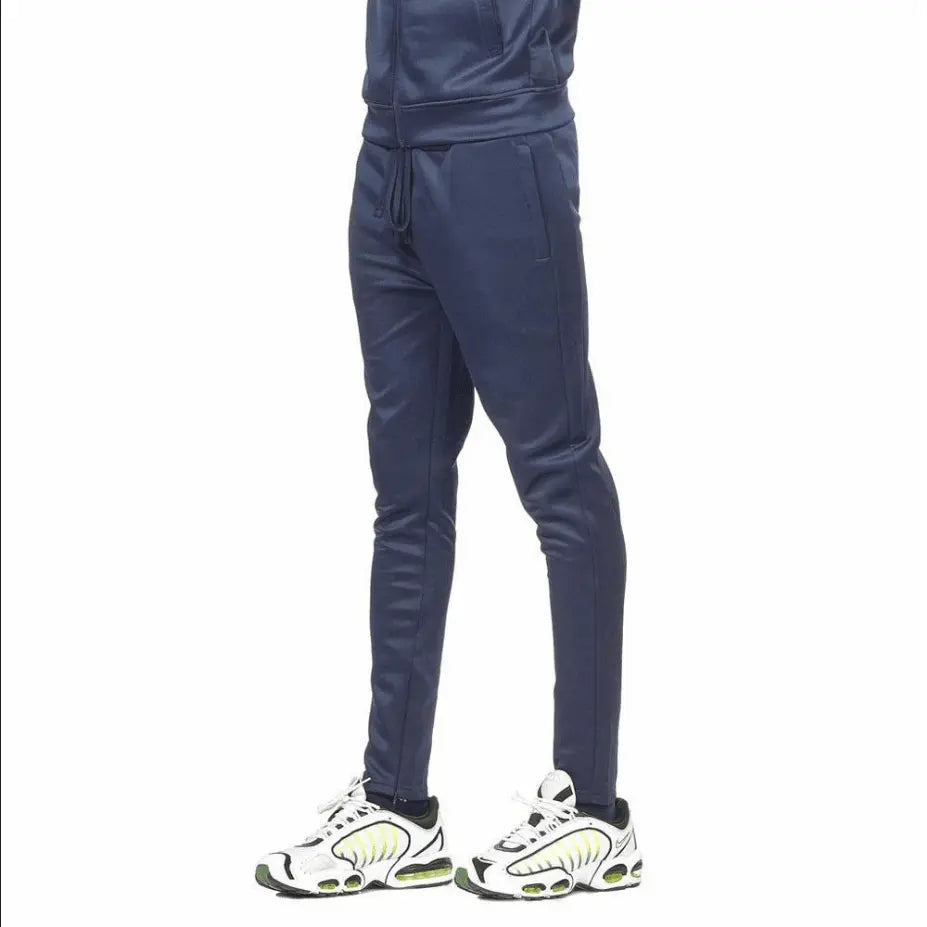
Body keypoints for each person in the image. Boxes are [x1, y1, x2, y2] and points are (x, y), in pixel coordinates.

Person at [255, 1, 641, 900]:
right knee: (406, 496)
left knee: (558, 474)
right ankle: (396, 802)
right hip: (387, 152)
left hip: (500, 146)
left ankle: (593, 811)